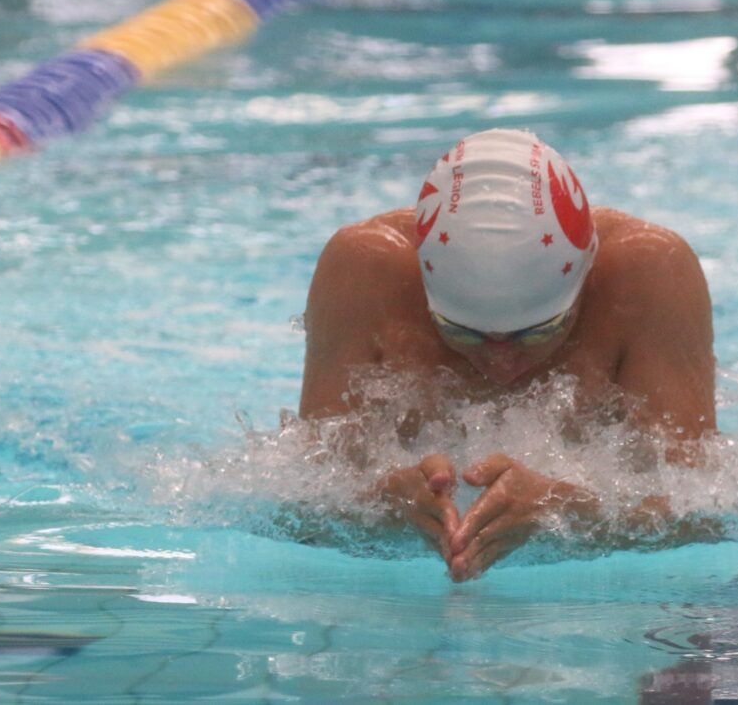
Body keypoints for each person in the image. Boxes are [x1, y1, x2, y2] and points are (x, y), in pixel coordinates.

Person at [299, 128, 716, 581]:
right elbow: (301, 506)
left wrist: (571, 510)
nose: (501, 364)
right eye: (462, 333)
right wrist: (379, 504)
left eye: (537, 333)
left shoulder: (648, 277)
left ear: (584, 282)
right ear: (424, 293)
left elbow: (704, 516)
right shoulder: (364, 273)